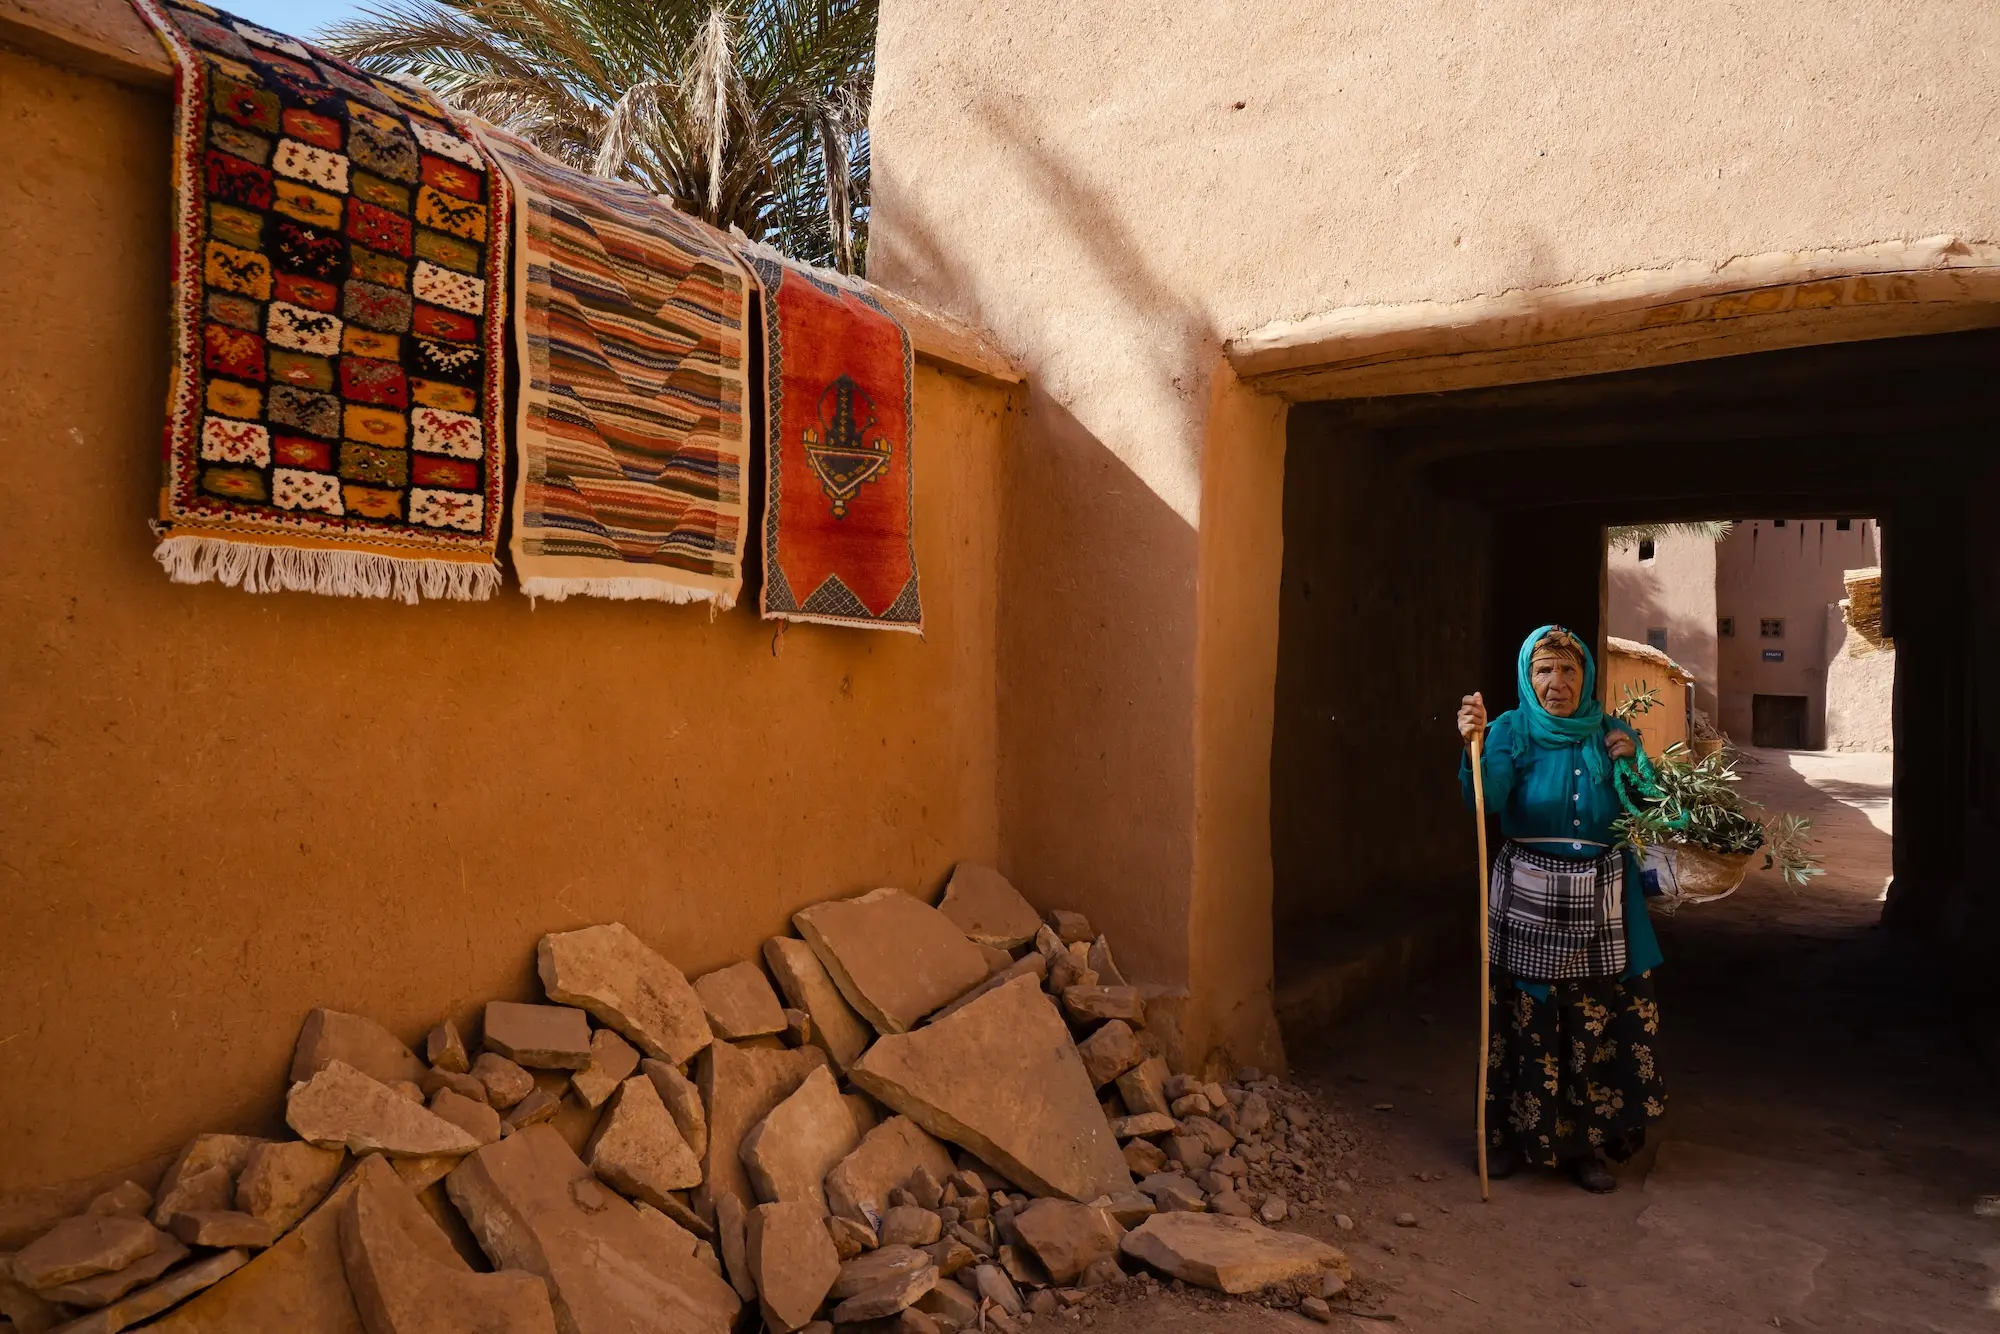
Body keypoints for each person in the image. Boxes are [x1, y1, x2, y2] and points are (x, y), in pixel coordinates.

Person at [1456, 625, 1667, 1192]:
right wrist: (1473, 747)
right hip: (1528, 898)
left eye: (1569, 670)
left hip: (1603, 905)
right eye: (1543, 670)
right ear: (1527, 678)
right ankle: (1505, 1139)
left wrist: (1637, 764)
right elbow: (1488, 798)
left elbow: (1655, 814)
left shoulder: (1612, 733)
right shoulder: (1509, 731)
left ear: (1587, 677)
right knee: (1526, 1023)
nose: (1556, 683)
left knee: (1591, 1027)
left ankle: (1584, 1148)